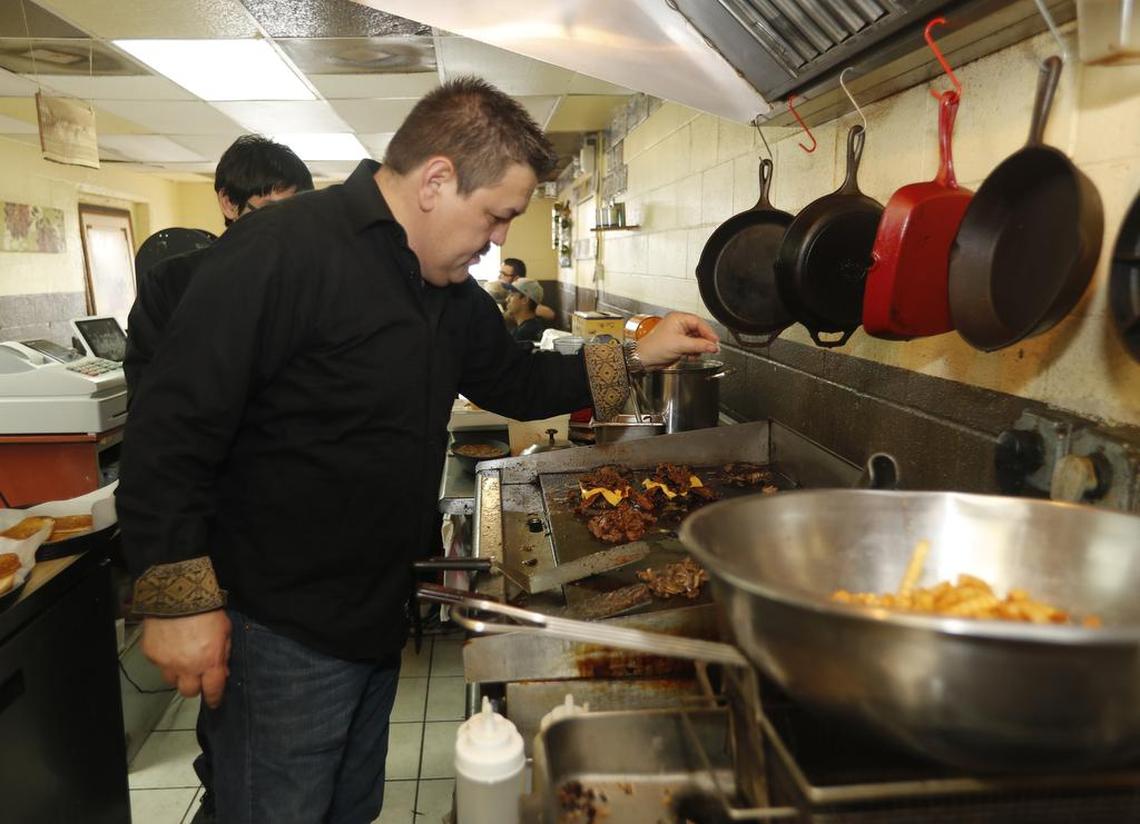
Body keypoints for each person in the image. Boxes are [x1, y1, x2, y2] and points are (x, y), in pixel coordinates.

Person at [116, 76, 717, 824]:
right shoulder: (280, 252)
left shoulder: (449, 289)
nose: (500, 238)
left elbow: (516, 376)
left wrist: (635, 356)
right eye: (497, 215)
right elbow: (169, 429)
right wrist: (178, 600)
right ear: (437, 180)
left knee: (347, 810)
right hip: (277, 627)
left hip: (374, 613)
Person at [122, 134, 312, 824]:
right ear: (227, 205)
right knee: (236, 732)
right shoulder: (178, 285)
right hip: (218, 534)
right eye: (263, 211)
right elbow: (158, 427)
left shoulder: (307, 280)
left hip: (292, 535)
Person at [123, 135, 314, 397]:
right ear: (228, 203)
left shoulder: (312, 280)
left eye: (296, 212)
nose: (285, 226)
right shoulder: (169, 283)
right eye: (270, 211)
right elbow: (148, 389)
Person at [486, 255, 556, 323]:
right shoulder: (502, 292)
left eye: (504, 274)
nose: (499, 277)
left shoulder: (526, 292)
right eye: (500, 273)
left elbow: (550, 314)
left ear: (516, 278)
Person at [506, 277, 549, 344]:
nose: (507, 299)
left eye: (512, 295)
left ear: (525, 300)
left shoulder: (524, 334)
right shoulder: (533, 325)